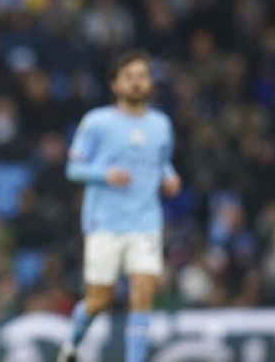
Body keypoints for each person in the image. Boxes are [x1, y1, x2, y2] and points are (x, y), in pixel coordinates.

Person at [57, 50, 181, 362]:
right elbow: (73, 169)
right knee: (99, 299)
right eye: (129, 77)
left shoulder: (161, 125)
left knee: (143, 291)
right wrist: (104, 175)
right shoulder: (97, 122)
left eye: (142, 76)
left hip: (146, 222)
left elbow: (161, 162)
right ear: (115, 84)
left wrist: (170, 177)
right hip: (105, 223)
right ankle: (70, 346)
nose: (136, 83)